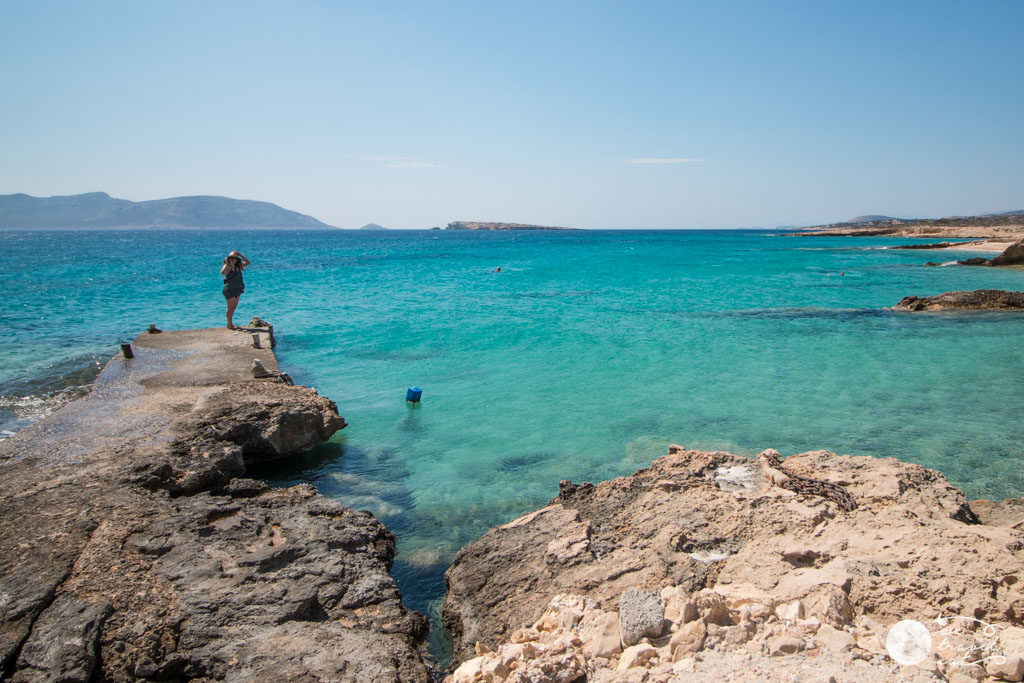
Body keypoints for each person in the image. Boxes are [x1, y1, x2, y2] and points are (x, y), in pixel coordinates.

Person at [220, 250, 251, 330]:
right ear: (229, 258)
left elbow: (248, 262)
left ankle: (231, 323)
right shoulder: (227, 266)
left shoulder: (238, 266)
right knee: (230, 307)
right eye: (231, 257)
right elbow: (222, 272)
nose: (233, 259)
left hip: (238, 289)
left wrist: (240, 254)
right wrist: (227, 263)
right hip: (229, 289)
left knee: (233, 307)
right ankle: (229, 324)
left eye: (235, 258)